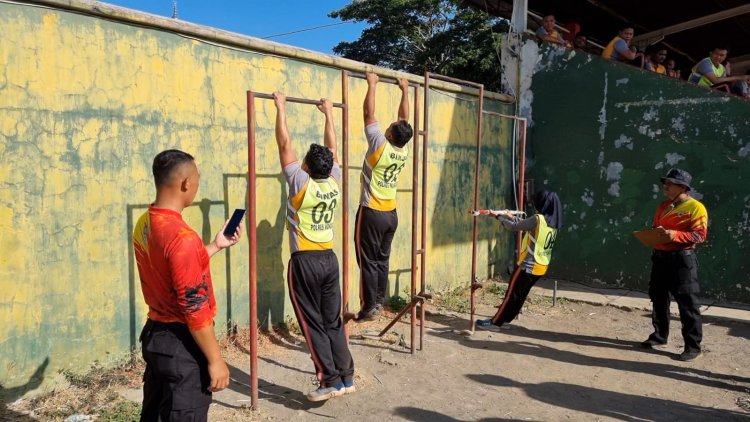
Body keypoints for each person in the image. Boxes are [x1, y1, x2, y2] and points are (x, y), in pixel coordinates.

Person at [133, 149, 243, 421]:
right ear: (186, 183)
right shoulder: (182, 237)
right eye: (197, 179)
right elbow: (195, 309)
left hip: (156, 336)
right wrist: (216, 360)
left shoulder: (145, 223)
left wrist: (215, 245)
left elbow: (175, 270)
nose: (197, 184)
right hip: (182, 345)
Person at [272, 92, 355, 401]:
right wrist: (329, 113)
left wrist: (280, 107)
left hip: (305, 262)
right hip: (329, 259)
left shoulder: (300, 182)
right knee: (332, 322)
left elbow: (284, 144)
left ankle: (329, 381)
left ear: (305, 166)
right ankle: (346, 377)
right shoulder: (335, 180)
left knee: (312, 324)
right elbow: (333, 149)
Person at [355, 72, 413, 321]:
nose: (388, 125)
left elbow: (368, 113)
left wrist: (372, 84)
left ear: (389, 135)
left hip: (372, 211)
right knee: (381, 259)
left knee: (368, 260)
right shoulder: (403, 148)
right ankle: (378, 300)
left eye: (389, 127)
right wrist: (405, 90)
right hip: (391, 214)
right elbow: (404, 120)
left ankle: (369, 306)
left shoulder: (379, 144)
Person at [641, 168, 708, 362]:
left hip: (682, 260)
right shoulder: (663, 206)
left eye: (670, 183)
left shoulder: (696, 207)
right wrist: (652, 235)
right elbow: (656, 228)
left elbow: (700, 235)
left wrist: (675, 235)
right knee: (658, 297)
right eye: (666, 182)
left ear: (682, 187)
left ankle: (693, 347)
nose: (666, 186)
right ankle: (659, 336)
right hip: (660, 258)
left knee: (688, 304)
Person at [476, 190, 563, 330]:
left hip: (528, 265)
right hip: (540, 267)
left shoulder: (538, 219)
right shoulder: (552, 224)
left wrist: (498, 216)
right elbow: (523, 224)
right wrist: (510, 216)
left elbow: (515, 227)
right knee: (520, 295)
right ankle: (505, 320)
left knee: (511, 294)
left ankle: (495, 323)